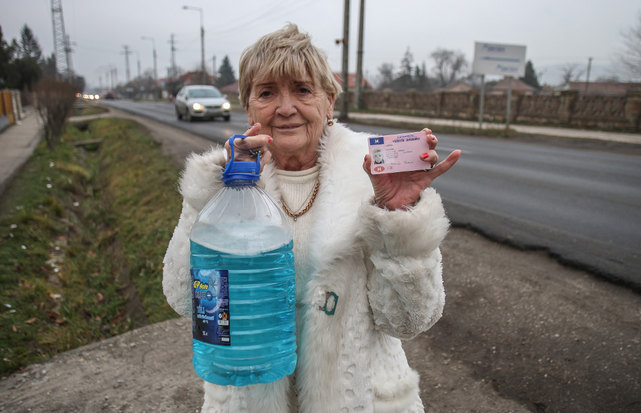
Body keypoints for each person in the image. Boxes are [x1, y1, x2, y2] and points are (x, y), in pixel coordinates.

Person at [162, 23, 461, 413]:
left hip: (361, 401)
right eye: (267, 92)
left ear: (329, 101)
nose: (286, 108)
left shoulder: (372, 178)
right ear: (248, 105)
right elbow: (186, 300)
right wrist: (208, 197)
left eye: (302, 90)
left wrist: (397, 216)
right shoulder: (224, 187)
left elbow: (408, 322)